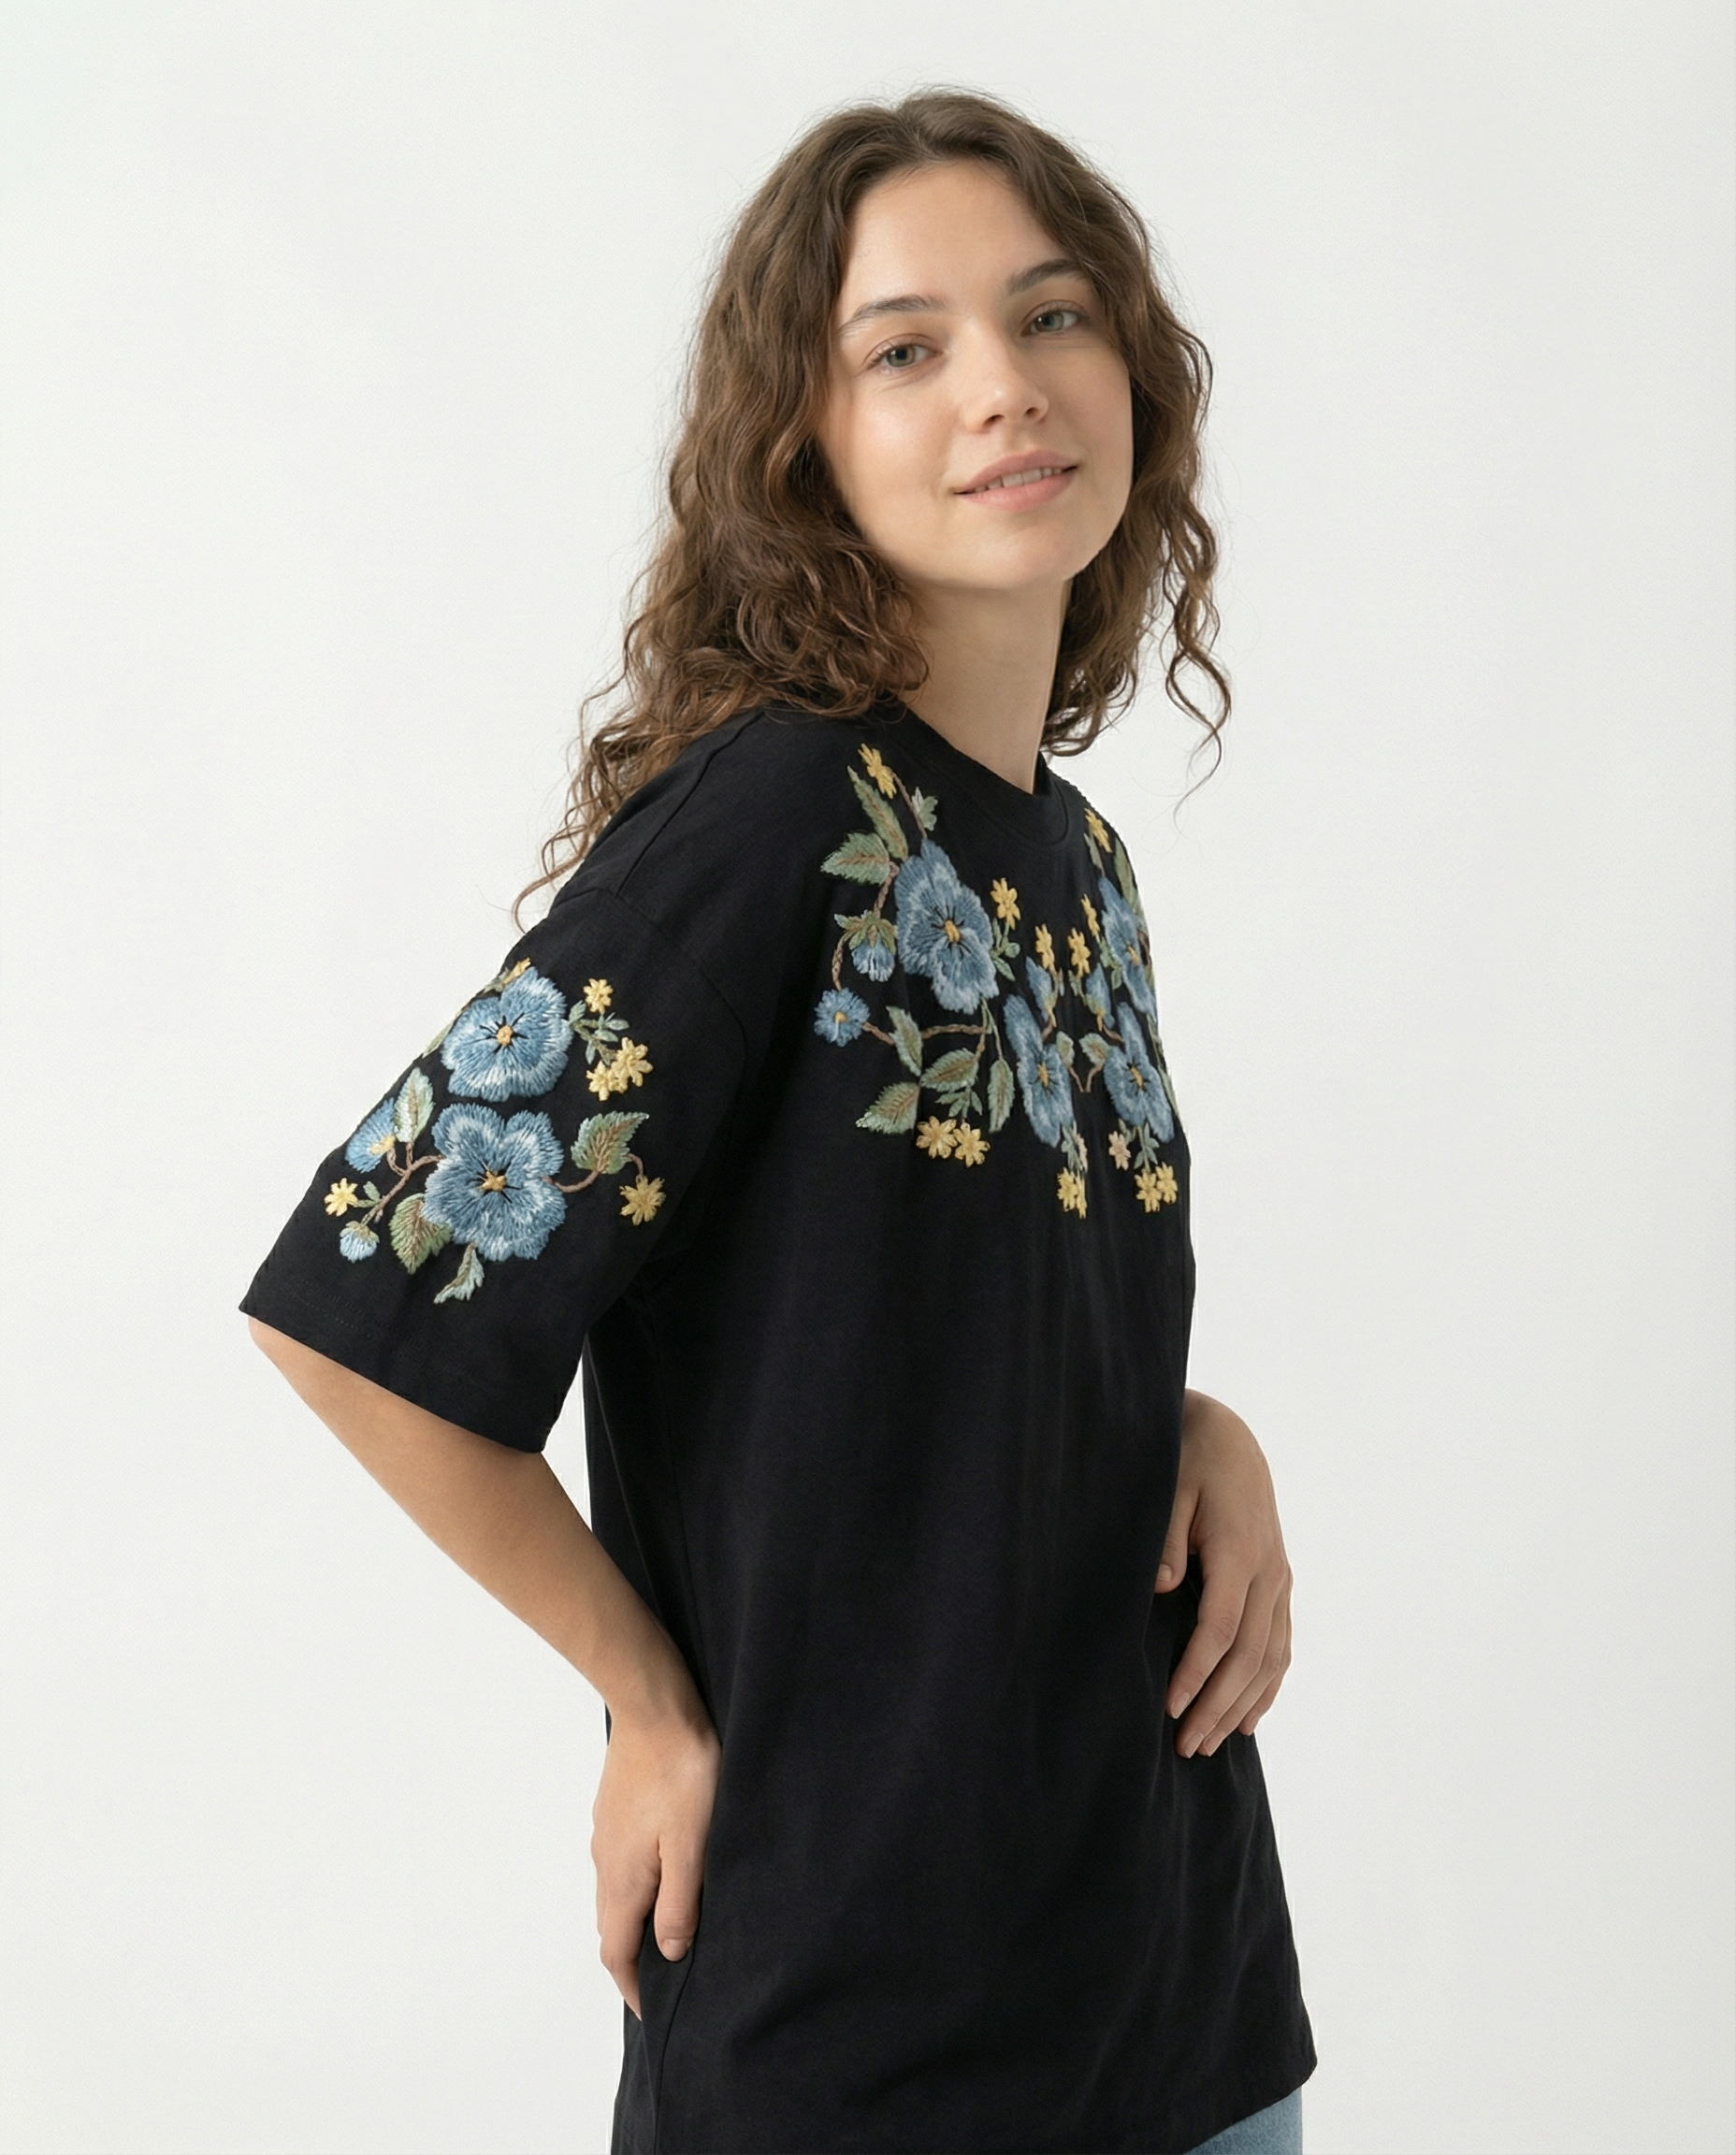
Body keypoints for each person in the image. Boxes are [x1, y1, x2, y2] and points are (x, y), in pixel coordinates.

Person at [242, 89, 1315, 2155]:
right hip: (865, 2040)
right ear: (801, 445)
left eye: (1052, 314)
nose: (1001, 387)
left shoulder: (1074, 868)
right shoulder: (775, 823)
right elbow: (363, 1300)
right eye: (904, 348)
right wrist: (642, 1698)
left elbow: (953, 1326)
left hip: (1180, 2002)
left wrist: (1203, 1430)